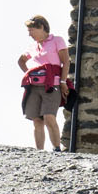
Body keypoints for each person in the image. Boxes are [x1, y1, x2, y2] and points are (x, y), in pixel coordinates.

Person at [17, 15, 70, 151]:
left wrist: (63, 81)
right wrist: (29, 74)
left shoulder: (57, 40)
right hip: (34, 87)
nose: (29, 34)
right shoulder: (32, 46)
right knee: (36, 120)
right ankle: (39, 152)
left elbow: (66, 62)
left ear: (41, 27)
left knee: (49, 117)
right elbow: (21, 61)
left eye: (31, 30)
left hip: (52, 85)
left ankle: (56, 148)